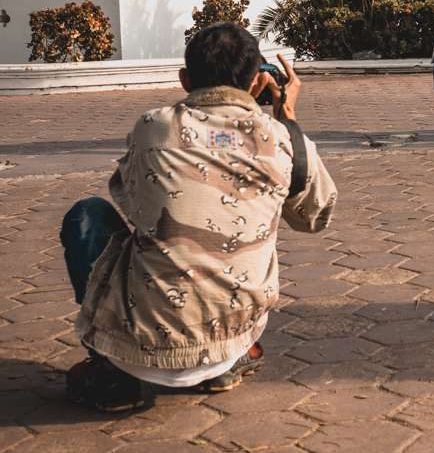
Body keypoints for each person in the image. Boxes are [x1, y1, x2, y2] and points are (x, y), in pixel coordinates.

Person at [61, 23, 337, 412]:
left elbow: (129, 201)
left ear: (185, 79)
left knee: (87, 214)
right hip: (231, 339)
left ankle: (112, 371)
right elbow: (314, 217)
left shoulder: (152, 128)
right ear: (258, 82)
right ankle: (223, 365)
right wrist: (286, 118)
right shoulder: (282, 139)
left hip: (136, 344)